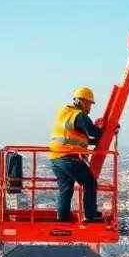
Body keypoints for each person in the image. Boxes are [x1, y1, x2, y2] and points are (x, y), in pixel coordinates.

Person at [48, 87, 111, 224]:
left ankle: (62, 216)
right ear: (81, 101)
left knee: (66, 187)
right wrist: (106, 127)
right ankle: (90, 216)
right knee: (90, 183)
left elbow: (79, 137)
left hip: (55, 157)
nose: (90, 107)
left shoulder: (64, 112)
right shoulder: (79, 116)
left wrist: (94, 137)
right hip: (67, 157)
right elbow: (95, 133)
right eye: (89, 103)